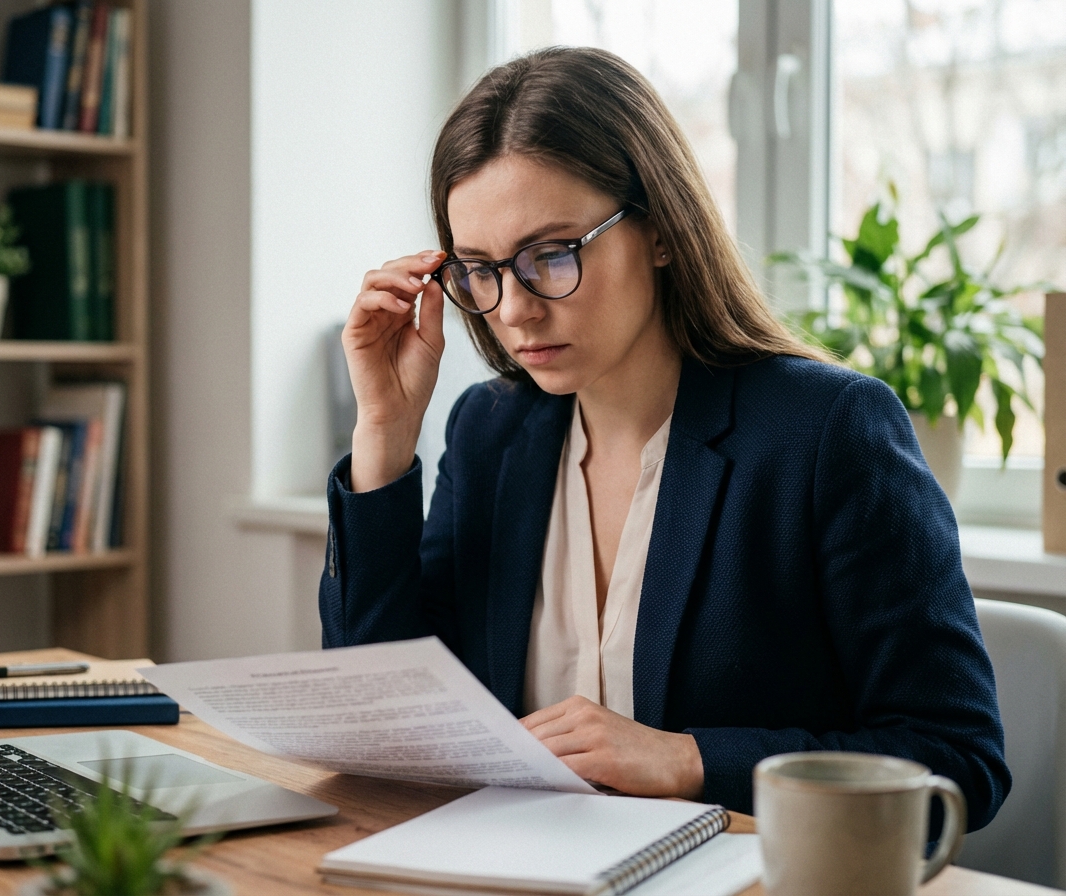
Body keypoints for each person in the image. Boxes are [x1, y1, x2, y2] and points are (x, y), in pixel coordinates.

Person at [319, 46, 1009, 829]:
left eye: (550, 256)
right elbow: (381, 717)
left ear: (661, 231)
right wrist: (383, 434)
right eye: (480, 268)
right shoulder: (491, 433)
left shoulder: (827, 433)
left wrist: (687, 759)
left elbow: (959, 761)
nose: (513, 309)